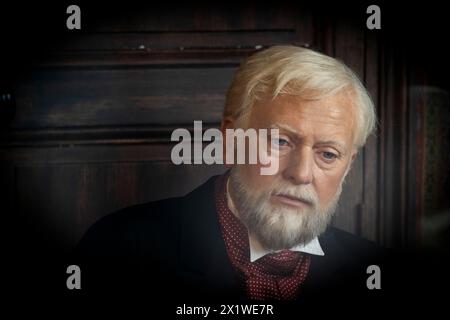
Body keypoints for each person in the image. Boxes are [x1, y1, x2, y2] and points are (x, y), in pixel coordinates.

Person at [76, 45, 388, 305]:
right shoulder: (117, 251)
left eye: (328, 154)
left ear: (347, 165)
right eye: (280, 141)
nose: (302, 174)